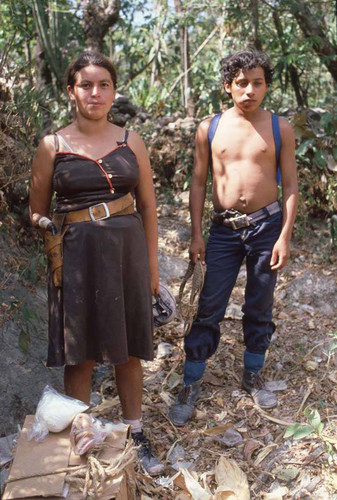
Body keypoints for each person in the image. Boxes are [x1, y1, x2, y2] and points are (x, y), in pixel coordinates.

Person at [29, 51, 164, 475]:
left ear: (114, 91)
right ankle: (82, 436)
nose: (95, 92)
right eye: (86, 85)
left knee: (128, 353)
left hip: (127, 255)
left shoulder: (131, 141)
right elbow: (34, 209)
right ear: (71, 91)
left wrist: (153, 270)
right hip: (77, 257)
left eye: (104, 84)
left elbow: (149, 207)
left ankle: (135, 433)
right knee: (80, 353)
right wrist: (48, 227)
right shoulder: (52, 146)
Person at [169, 49, 298, 427]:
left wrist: (284, 236)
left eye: (257, 83)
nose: (250, 90)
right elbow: (198, 182)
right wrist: (196, 234)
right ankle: (192, 380)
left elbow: (289, 184)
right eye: (242, 83)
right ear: (228, 86)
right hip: (223, 230)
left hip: (267, 226)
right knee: (209, 304)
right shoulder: (209, 128)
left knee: (260, 302)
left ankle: (253, 372)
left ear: (267, 86)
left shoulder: (279, 128)